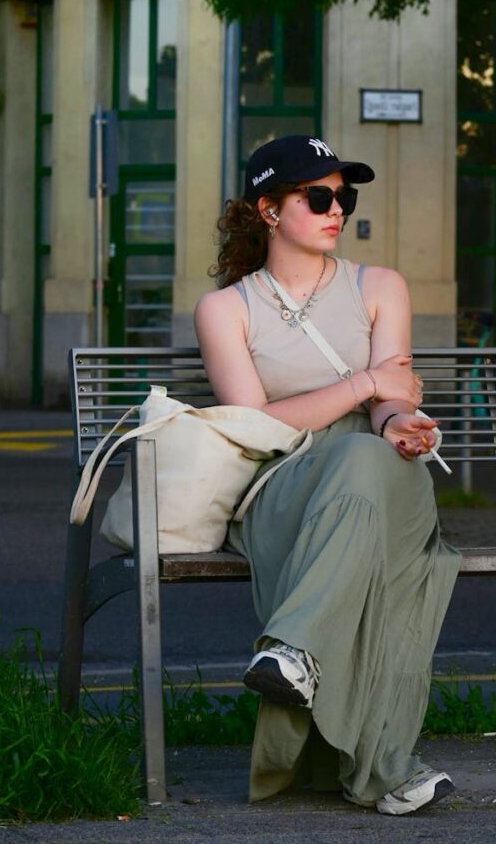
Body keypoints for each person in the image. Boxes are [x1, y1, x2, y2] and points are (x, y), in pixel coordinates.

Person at [194, 135, 461, 816]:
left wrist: (395, 420)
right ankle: (381, 772)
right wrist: (368, 385)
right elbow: (258, 423)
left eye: (344, 196)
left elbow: (394, 398)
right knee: (369, 534)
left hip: (386, 474)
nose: (336, 208)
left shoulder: (380, 286)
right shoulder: (226, 310)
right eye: (317, 196)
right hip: (285, 490)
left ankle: (294, 652)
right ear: (269, 209)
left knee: (362, 457)